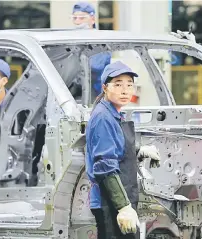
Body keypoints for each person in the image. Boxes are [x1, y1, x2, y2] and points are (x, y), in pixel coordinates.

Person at [85, 61, 160, 238]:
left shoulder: (113, 113)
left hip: (118, 200)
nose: (125, 90)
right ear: (105, 87)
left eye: (129, 85)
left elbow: (114, 147)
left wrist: (138, 150)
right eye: (118, 84)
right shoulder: (103, 117)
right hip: (110, 202)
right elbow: (105, 166)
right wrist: (123, 207)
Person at [71, 1, 111, 100]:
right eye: (74, 18)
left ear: (92, 19)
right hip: (75, 96)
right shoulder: (72, 42)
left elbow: (94, 67)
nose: (77, 22)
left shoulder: (100, 42)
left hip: (96, 96)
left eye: (82, 18)